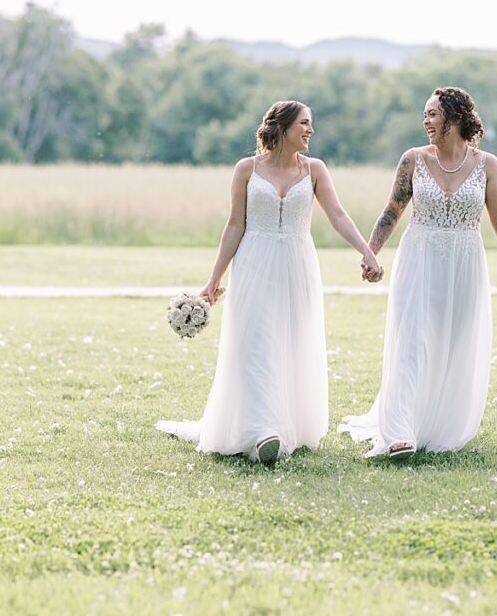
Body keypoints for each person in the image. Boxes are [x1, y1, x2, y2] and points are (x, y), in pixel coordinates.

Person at [157, 100, 383, 464]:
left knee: (290, 341)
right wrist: (214, 280)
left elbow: (338, 215)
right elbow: (234, 226)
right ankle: (264, 431)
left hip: (298, 265)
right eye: (305, 124)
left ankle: (282, 422)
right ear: (282, 127)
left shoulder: (315, 170)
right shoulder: (246, 169)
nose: (310, 131)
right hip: (253, 263)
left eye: (311, 124)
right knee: (255, 343)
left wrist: (367, 251)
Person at [339, 87, 497, 459]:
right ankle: (399, 429)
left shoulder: (489, 165)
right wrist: (371, 253)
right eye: (425, 114)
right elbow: (392, 210)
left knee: (453, 341)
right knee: (411, 339)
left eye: (432, 114)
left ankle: (436, 423)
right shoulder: (413, 160)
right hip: (418, 256)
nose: (426, 121)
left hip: (465, 261)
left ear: (455, 117)